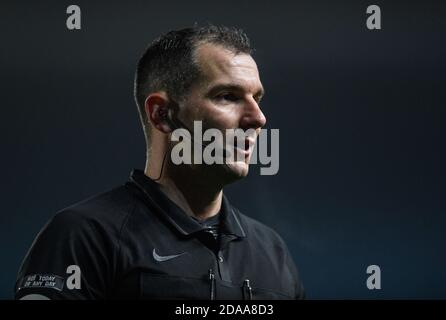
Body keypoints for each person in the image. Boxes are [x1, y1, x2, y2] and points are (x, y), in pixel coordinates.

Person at [15, 25, 305, 300]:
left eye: (257, 98)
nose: (258, 118)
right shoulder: (83, 237)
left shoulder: (272, 252)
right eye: (228, 96)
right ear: (161, 114)